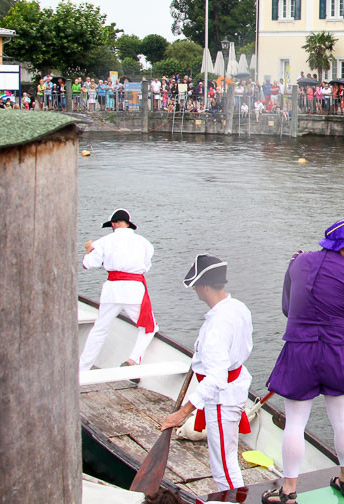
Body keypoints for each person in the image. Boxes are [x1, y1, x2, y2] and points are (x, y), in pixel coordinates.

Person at [264, 219, 344, 503]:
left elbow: (286, 307)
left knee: (294, 423)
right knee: (341, 419)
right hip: (336, 351)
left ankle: (288, 491)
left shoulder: (298, 262)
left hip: (299, 349)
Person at [159, 254, 253, 491]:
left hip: (222, 400)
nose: (196, 291)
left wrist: (182, 413)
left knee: (223, 467)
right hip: (235, 388)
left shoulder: (216, 326)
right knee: (227, 459)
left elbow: (216, 380)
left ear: (203, 287)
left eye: (196, 287)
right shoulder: (237, 307)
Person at [78, 209, 157, 371]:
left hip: (112, 290)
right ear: (128, 224)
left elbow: (88, 264)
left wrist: (87, 249)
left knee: (99, 329)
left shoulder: (103, 242)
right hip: (134, 290)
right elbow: (146, 267)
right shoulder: (145, 243)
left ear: (114, 224)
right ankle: (133, 360)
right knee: (149, 327)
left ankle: (82, 368)